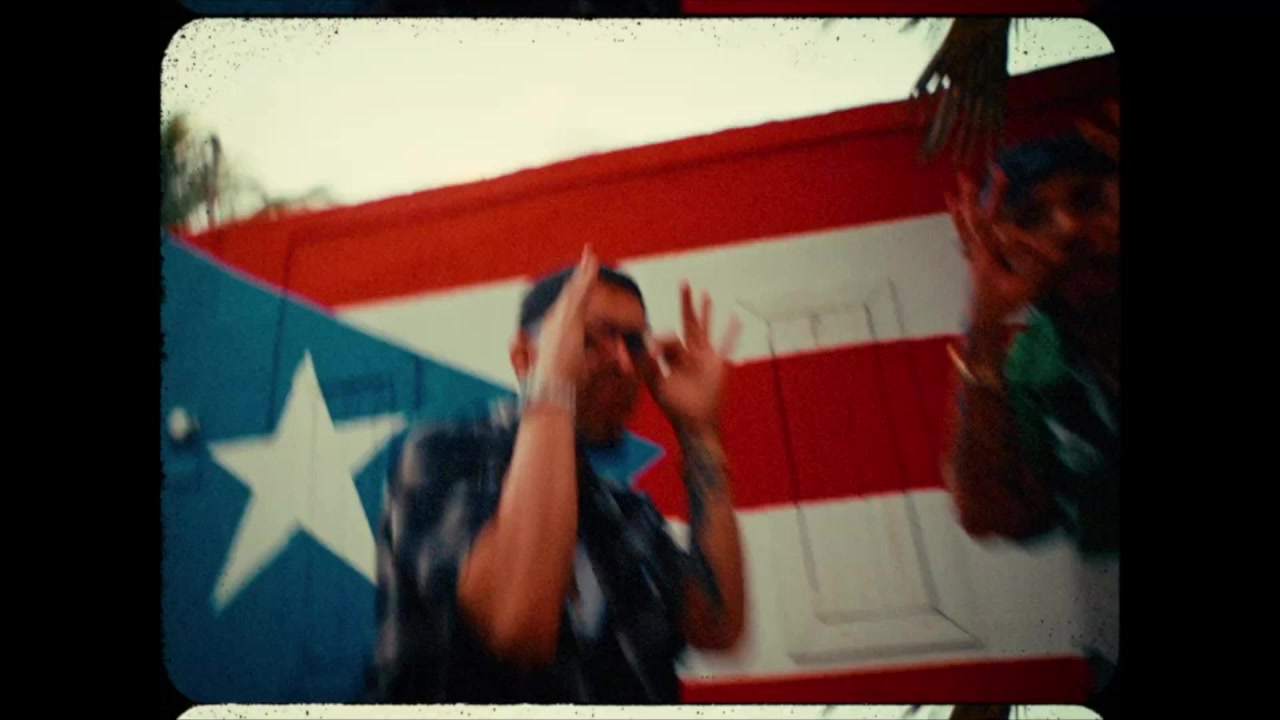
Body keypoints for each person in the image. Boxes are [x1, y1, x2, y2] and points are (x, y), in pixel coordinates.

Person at [371, 246, 746, 704]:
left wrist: (700, 434)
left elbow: (715, 626)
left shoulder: (620, 507)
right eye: (590, 339)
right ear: (524, 358)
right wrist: (551, 388)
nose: (624, 364)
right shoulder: (444, 457)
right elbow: (520, 621)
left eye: (634, 343)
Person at [940, 102, 1121, 719]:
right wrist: (986, 327)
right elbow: (994, 516)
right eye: (1034, 218)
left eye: (1090, 199)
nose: (1067, 229)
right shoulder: (1031, 362)